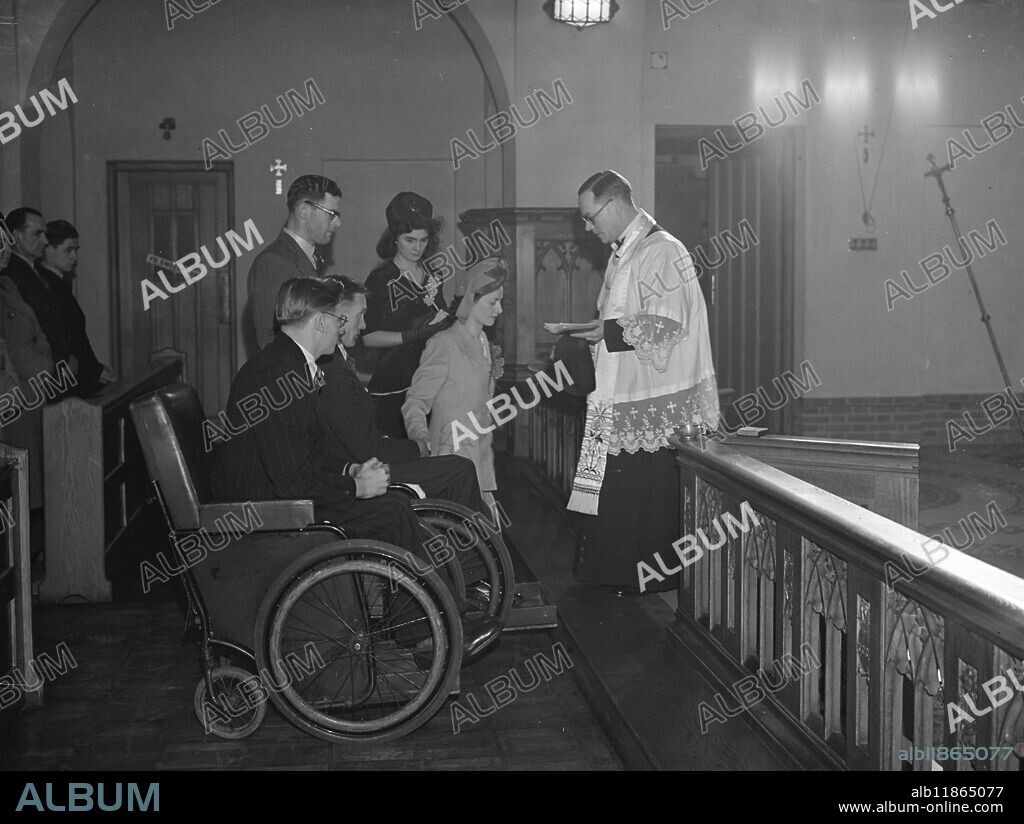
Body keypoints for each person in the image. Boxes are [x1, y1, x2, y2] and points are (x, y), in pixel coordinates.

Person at [213, 276, 497, 656]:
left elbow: (308, 451)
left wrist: (349, 470)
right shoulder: (280, 374)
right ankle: (431, 629)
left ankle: (426, 622)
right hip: (271, 514)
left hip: (280, 497)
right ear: (319, 322)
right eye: (337, 320)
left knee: (393, 509)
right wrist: (356, 488)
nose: (343, 328)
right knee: (391, 512)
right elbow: (288, 479)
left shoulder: (289, 363)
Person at [568, 171, 720, 595]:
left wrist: (608, 333)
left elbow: (667, 324)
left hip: (655, 401)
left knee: (642, 500)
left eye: (590, 217)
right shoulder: (626, 253)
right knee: (620, 497)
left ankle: (641, 589)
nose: (587, 227)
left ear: (614, 205)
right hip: (624, 395)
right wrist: (597, 333)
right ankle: (615, 582)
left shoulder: (664, 251)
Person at [318, 275, 488, 512]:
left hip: (360, 462)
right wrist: (419, 447)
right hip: (359, 473)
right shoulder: (333, 370)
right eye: (361, 316)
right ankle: (466, 544)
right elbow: (368, 450)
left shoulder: (335, 363)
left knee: (461, 474)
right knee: (461, 468)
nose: (365, 325)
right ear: (340, 317)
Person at [402, 259, 505, 504]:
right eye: (493, 302)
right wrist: (423, 441)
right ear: (471, 299)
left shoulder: (484, 344)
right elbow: (415, 403)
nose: (499, 309)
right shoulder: (443, 344)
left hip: (480, 466)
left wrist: (487, 486)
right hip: (450, 466)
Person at [362, 191, 454, 438]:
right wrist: (411, 335)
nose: (418, 248)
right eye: (410, 240)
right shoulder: (380, 279)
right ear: (395, 239)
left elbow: (441, 321)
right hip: (395, 380)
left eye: (423, 241)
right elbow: (368, 337)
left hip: (430, 377)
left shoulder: (433, 274)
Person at [247, 175, 342, 350]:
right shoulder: (273, 262)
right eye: (332, 214)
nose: (338, 223)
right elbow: (271, 341)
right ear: (304, 210)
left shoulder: (309, 258)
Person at [38, 219, 115, 395]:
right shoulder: (47, 285)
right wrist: (95, 370)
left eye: (76, 250)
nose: (75, 257)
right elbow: (72, 339)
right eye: (68, 250)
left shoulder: (58, 282)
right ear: (48, 250)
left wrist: (96, 368)